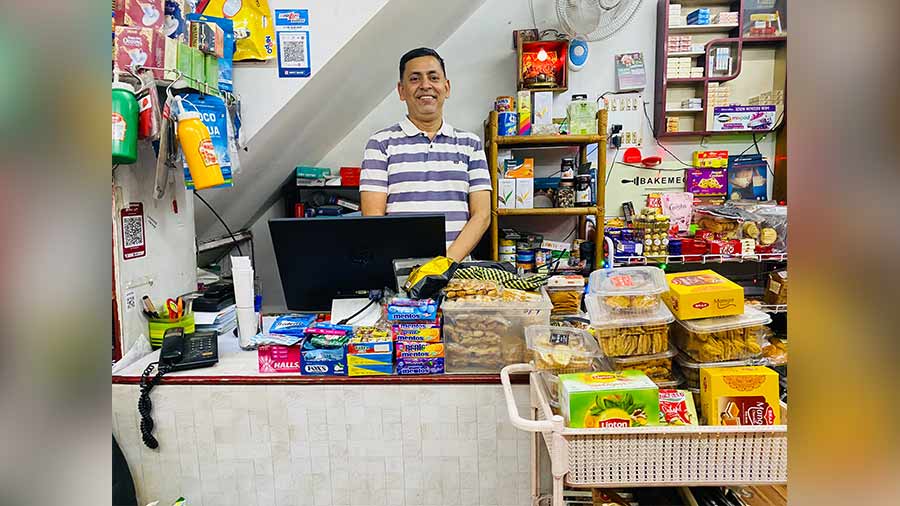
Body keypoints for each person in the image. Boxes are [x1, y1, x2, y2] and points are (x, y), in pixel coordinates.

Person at [359, 47, 492, 262]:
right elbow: (374, 219)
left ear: (446, 87)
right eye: (414, 79)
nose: (425, 85)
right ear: (401, 91)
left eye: (433, 77)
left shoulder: (471, 144)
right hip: (400, 272)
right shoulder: (380, 144)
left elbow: (482, 215)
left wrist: (443, 264)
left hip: (457, 271)